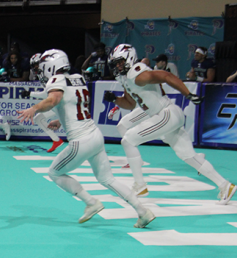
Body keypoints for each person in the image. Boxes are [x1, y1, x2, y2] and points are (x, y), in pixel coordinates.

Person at [17, 49, 155, 228]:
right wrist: (61, 120)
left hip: (80, 140)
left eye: (43, 66)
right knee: (108, 179)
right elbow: (74, 103)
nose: (41, 70)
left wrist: (34, 108)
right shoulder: (78, 78)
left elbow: (54, 100)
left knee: (54, 172)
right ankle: (143, 211)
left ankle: (90, 202)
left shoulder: (56, 80)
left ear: (51, 65)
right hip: (95, 135)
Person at [105, 44, 237, 204]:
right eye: (115, 64)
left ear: (129, 58)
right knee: (188, 156)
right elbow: (131, 103)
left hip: (165, 114)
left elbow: (166, 76)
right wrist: (115, 100)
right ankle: (225, 185)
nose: (117, 66)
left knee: (128, 140)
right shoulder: (126, 77)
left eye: (120, 62)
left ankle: (139, 185)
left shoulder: (137, 73)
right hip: (167, 115)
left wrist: (187, 94)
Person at [21, 53, 63, 153]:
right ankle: (56, 140)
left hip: (63, 102)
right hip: (58, 103)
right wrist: (30, 93)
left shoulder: (52, 74)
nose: (36, 67)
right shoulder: (42, 75)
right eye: (34, 65)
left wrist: (30, 94)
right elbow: (47, 93)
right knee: (39, 118)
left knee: (69, 125)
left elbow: (49, 95)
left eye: (37, 64)